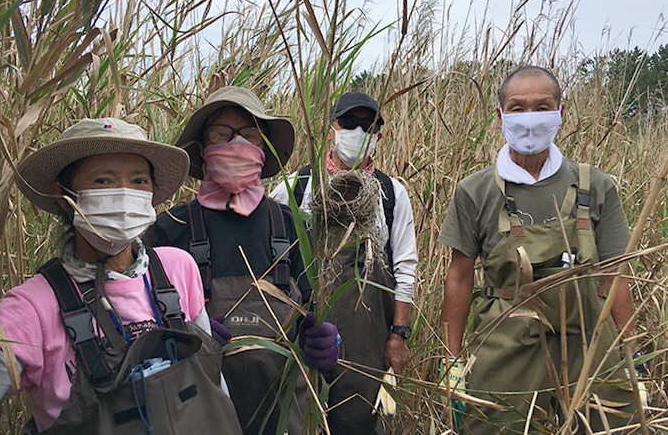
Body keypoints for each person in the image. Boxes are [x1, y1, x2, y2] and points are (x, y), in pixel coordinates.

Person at [0, 117, 242, 434]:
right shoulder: (31, 307)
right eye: (103, 181)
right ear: (63, 195)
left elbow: (212, 385)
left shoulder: (178, 268)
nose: (123, 194)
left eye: (139, 181)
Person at [439, 66, 641, 433]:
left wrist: (633, 353)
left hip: (589, 342)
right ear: (500, 116)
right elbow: (459, 278)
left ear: (560, 113)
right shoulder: (475, 191)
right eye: (517, 108)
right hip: (506, 345)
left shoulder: (595, 185)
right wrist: (452, 362)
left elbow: (615, 275)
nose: (530, 118)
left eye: (542, 106)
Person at [143, 85, 339, 435]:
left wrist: (326, 343)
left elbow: (315, 311)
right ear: (202, 149)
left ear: (263, 149)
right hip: (198, 415)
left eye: (249, 134)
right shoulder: (169, 229)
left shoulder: (293, 224)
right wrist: (184, 341)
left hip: (284, 417)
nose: (237, 143)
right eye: (222, 134)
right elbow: (141, 332)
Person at [271, 91, 418, 434]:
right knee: (298, 420)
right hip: (302, 334)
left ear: (379, 137)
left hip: (367, 342)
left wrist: (398, 336)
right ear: (330, 128)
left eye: (368, 126)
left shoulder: (391, 193)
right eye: (348, 122)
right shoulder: (294, 189)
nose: (358, 131)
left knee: (358, 423)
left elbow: (405, 269)